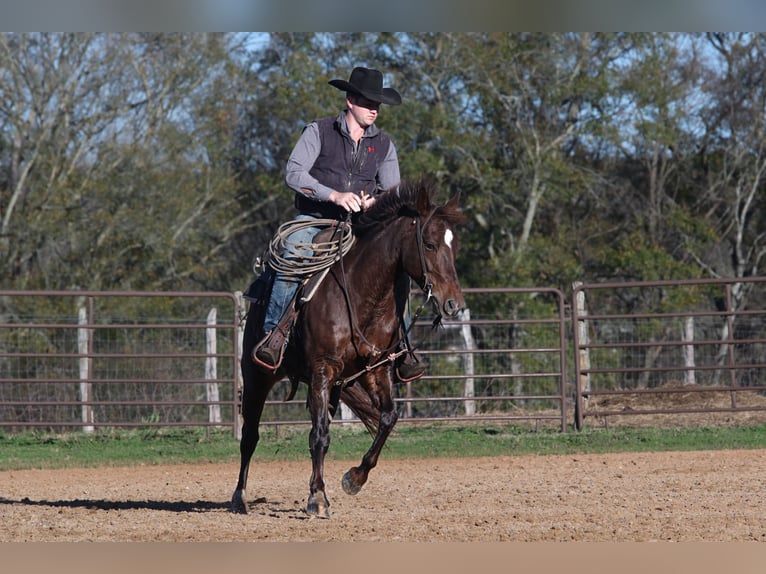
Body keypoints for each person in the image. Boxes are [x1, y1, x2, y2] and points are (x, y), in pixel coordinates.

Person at [253, 66, 425, 382]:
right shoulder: (318, 132)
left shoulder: (384, 145)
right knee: (292, 253)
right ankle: (272, 335)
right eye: (368, 102)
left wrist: (376, 202)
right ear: (350, 100)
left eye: (378, 104)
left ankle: (403, 348)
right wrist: (333, 195)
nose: (374, 109)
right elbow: (294, 174)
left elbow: (393, 192)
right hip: (316, 219)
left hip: (363, 226)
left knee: (398, 267)